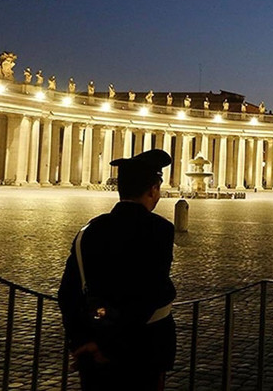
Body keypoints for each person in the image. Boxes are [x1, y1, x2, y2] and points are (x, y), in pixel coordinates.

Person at [58, 150, 177, 391]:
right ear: (153, 190)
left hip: (91, 351)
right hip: (143, 350)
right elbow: (148, 296)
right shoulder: (159, 230)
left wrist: (83, 342)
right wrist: (109, 347)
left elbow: (67, 294)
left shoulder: (89, 230)